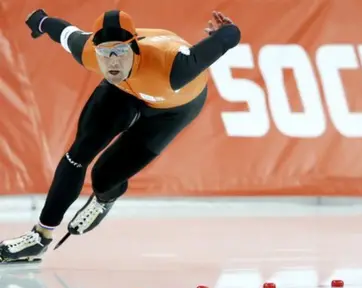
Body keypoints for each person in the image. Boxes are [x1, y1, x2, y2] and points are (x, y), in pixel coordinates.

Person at [0, 9, 241, 263]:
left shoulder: (176, 67)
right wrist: (39, 20)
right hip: (123, 91)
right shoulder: (88, 53)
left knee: (104, 176)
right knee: (78, 154)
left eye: (120, 52)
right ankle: (40, 237)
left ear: (134, 48)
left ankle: (104, 198)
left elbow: (230, 37)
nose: (112, 62)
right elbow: (63, 31)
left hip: (172, 109)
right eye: (105, 54)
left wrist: (224, 31)